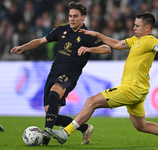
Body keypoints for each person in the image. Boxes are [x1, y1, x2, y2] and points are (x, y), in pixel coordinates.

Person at [44, 12, 158, 146]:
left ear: (147, 28)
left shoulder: (150, 40)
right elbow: (117, 44)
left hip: (131, 88)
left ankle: (66, 133)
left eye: (137, 26)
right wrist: (98, 35)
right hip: (138, 90)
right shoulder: (135, 40)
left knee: (92, 102)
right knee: (141, 125)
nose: (134, 28)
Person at [10, 1, 111, 146]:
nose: (71, 19)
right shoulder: (61, 30)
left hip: (70, 75)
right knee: (52, 116)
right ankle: (85, 128)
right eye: (70, 16)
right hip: (53, 73)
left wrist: (89, 49)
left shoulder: (88, 35)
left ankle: (46, 133)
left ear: (83, 17)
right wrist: (23, 47)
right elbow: (40, 41)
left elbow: (107, 48)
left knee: (54, 93)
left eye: (75, 16)